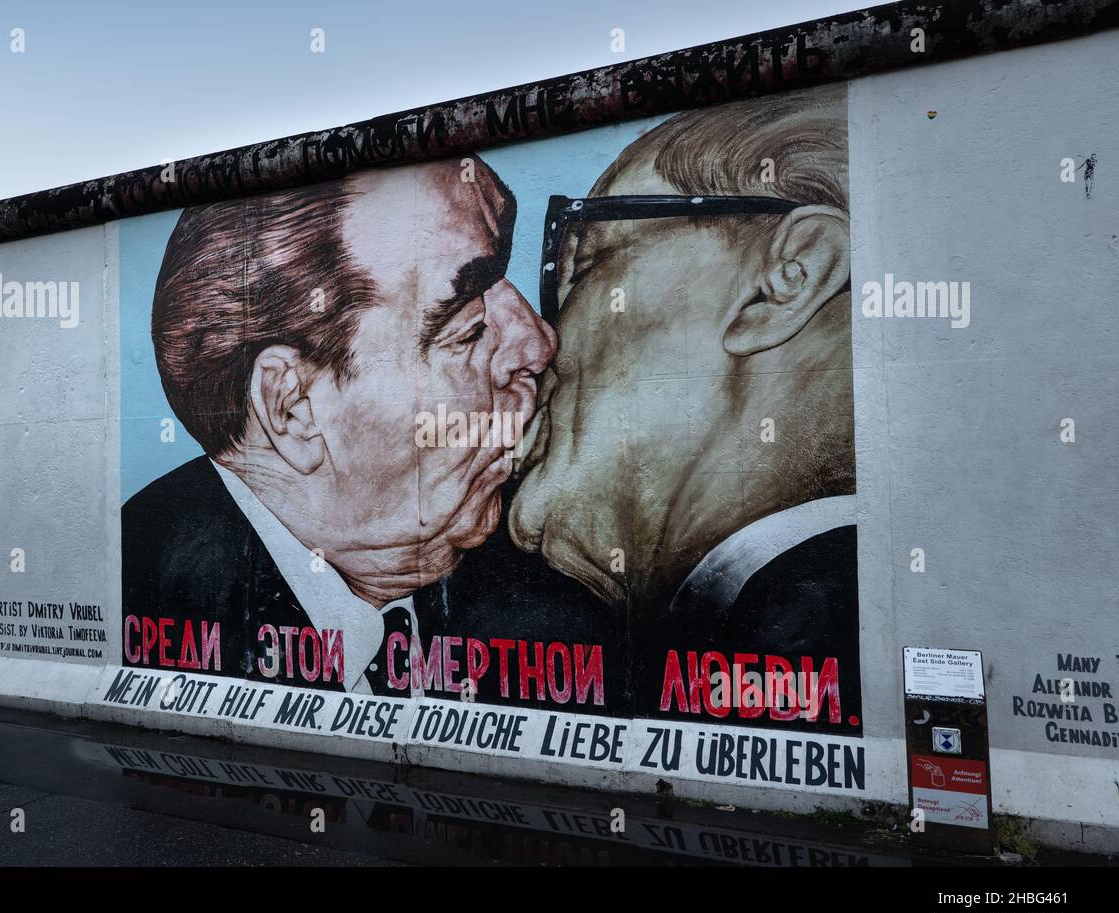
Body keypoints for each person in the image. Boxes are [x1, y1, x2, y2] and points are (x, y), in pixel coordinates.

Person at [122, 156, 557, 697]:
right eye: (467, 330)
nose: (537, 344)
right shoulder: (135, 589)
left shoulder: (549, 596)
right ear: (292, 407)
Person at [509, 87, 863, 732]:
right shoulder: (809, 620)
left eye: (587, 260)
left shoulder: (824, 624)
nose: (540, 342)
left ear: (787, 280)